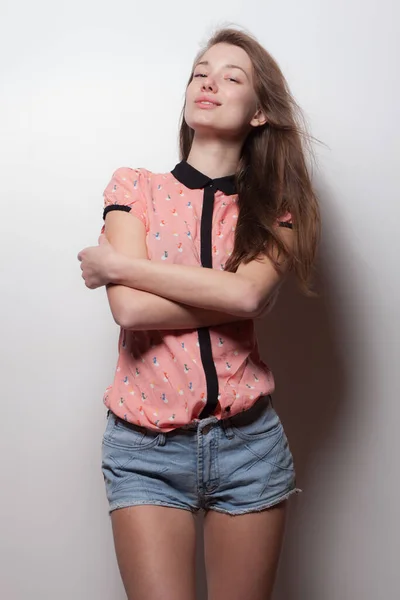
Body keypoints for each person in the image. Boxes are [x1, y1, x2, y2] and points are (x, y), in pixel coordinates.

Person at [78, 26, 321, 600]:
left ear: (260, 112)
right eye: (200, 72)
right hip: (144, 447)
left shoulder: (275, 207)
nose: (209, 82)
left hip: (249, 446)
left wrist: (119, 265)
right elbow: (132, 311)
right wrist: (221, 288)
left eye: (232, 77)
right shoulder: (135, 187)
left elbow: (247, 298)